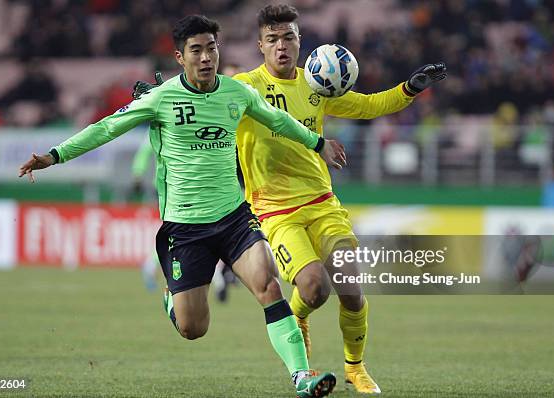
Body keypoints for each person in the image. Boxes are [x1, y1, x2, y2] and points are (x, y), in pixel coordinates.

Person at [19, 15, 345, 398]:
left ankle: (301, 377)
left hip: (234, 218)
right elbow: (106, 127)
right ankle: (174, 301)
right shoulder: (161, 99)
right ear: (179, 56)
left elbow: (278, 118)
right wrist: (55, 155)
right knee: (194, 328)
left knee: (268, 285)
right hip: (185, 229)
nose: (207, 57)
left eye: (212, 48)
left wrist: (318, 144)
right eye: (197, 50)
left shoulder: (236, 94)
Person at [134, 5, 446, 394]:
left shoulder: (317, 86)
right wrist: (161, 96)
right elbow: (200, 96)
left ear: (300, 42)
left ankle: (356, 368)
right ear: (260, 46)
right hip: (274, 211)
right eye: (272, 40)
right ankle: (296, 317)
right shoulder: (243, 87)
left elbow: (369, 105)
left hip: (323, 204)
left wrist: (409, 89)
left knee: (350, 287)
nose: (281, 47)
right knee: (314, 288)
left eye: (289, 38)